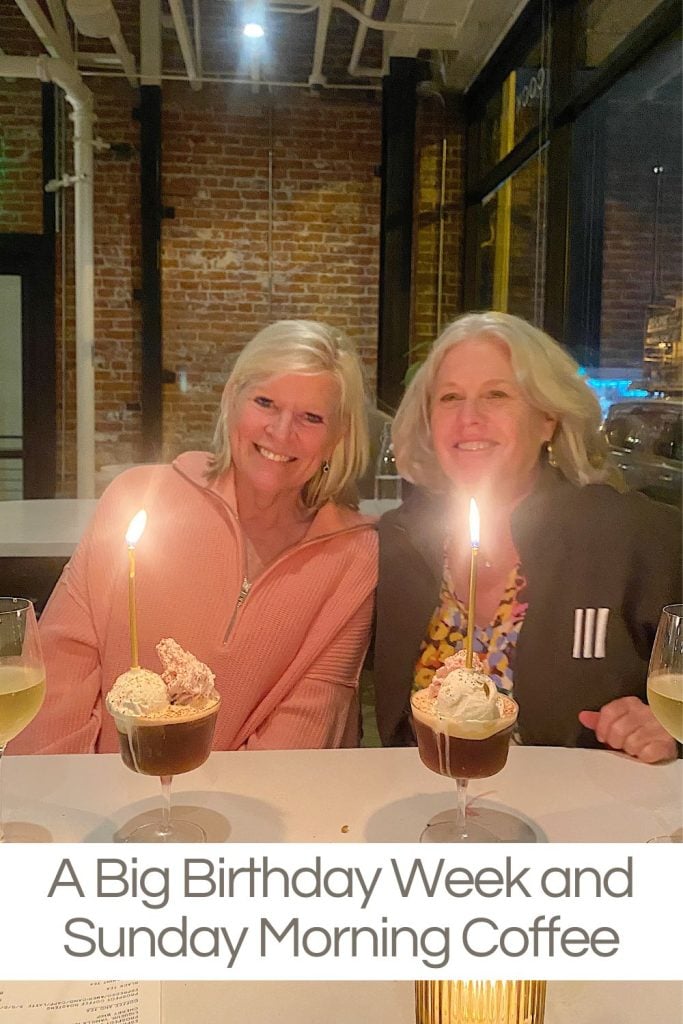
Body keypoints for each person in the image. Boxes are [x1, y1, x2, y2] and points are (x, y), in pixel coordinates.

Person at [15, 321, 377, 754]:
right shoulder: (138, 497)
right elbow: (62, 667)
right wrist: (67, 806)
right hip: (98, 806)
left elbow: (307, 724)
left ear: (339, 436)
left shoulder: (354, 554)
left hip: (242, 815)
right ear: (231, 399)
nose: (281, 432)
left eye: (311, 417)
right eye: (265, 402)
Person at [374, 311, 681, 763]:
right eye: (450, 397)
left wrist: (671, 729)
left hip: (586, 816)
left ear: (548, 419)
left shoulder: (634, 534)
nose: (469, 418)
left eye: (496, 394)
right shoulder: (395, 543)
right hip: (428, 812)